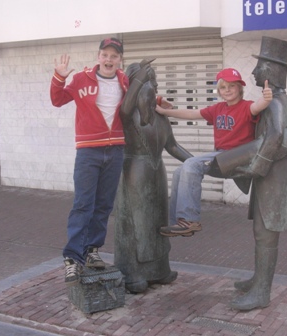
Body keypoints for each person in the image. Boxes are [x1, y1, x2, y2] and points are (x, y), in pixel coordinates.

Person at [213, 36, 287, 311]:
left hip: (275, 179)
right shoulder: (273, 101)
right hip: (268, 179)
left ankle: (262, 291)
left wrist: (253, 164)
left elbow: (283, 141)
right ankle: (257, 279)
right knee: (260, 231)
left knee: (266, 234)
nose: (254, 73)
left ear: (271, 72)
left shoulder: (277, 103)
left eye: (259, 68)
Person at [156, 68, 273, 237]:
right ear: (219, 91)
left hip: (237, 156)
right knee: (179, 171)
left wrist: (266, 99)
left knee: (191, 164)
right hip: (221, 155)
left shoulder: (246, 106)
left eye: (232, 86)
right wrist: (165, 112)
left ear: (240, 88)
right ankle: (179, 222)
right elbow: (192, 113)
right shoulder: (218, 109)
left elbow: (257, 106)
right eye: (224, 87)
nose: (228, 90)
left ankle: (189, 220)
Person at [50, 37, 128, 286]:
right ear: (98, 57)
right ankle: (73, 259)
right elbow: (58, 99)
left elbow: (138, 101)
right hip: (88, 151)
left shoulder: (125, 80)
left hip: (115, 149)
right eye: (105, 55)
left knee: (104, 205)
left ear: (119, 60)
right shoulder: (82, 78)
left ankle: (93, 250)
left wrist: (159, 103)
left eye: (114, 56)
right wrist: (59, 77)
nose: (109, 59)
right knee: (83, 204)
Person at [114, 59, 193, 293]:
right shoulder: (128, 116)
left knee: (157, 221)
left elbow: (173, 146)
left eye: (154, 86)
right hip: (134, 174)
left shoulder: (160, 117)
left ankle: (159, 269)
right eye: (147, 86)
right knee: (136, 226)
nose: (153, 91)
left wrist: (198, 163)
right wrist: (140, 77)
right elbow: (126, 107)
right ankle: (132, 272)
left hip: (157, 174)